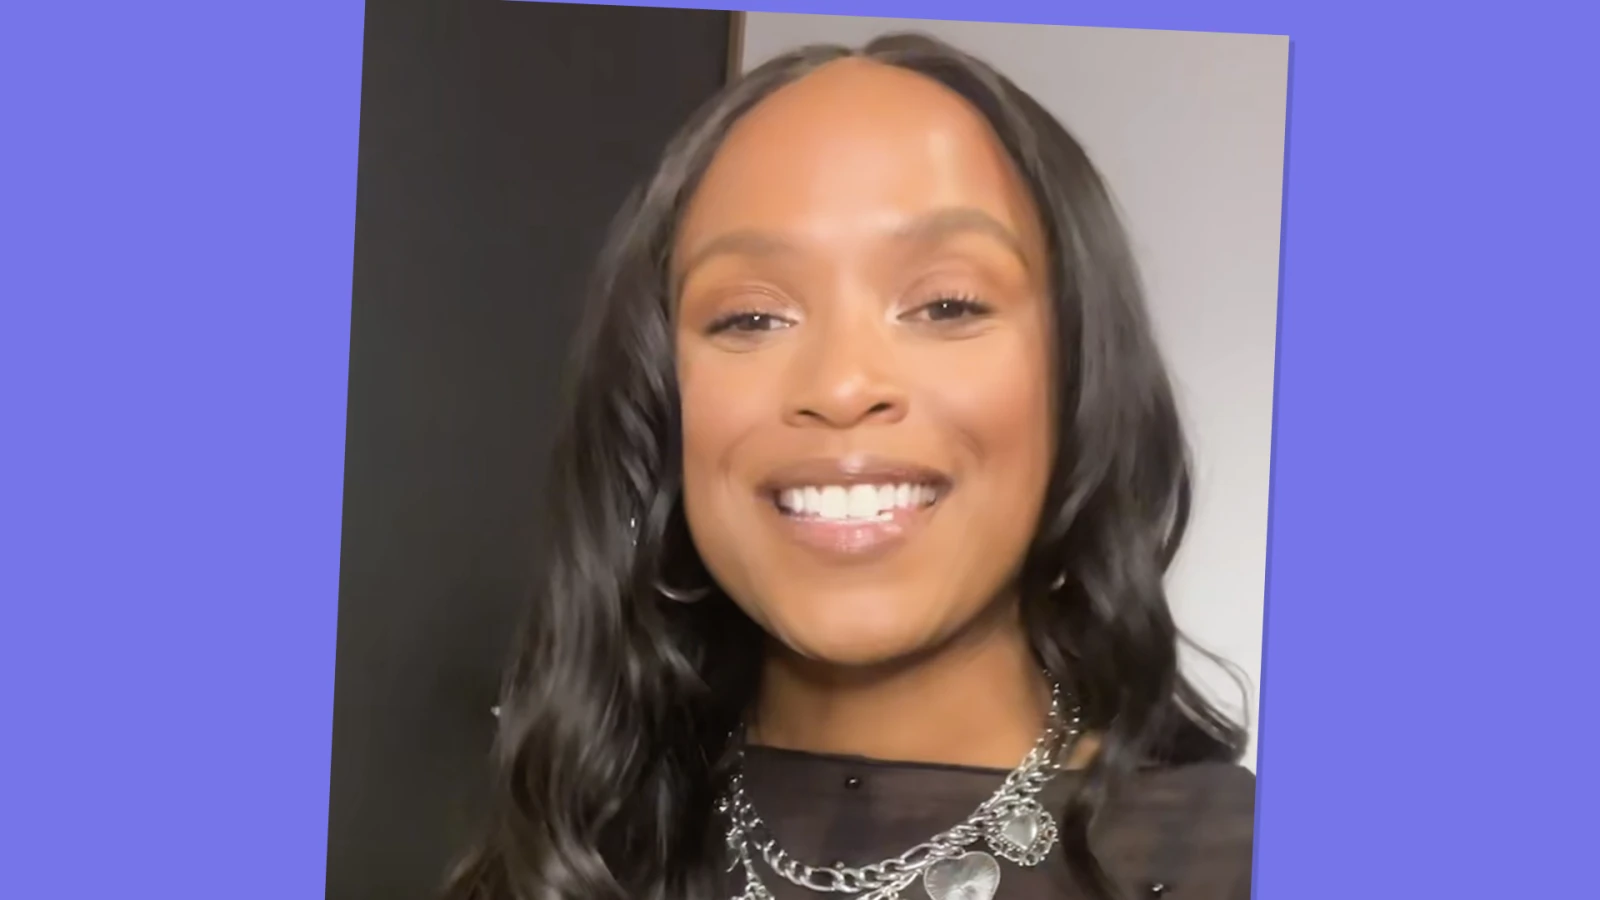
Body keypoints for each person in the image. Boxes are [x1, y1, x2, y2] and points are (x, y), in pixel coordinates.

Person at [444, 32, 1255, 900]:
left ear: (1080, 375)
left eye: (946, 304)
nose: (840, 385)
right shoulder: (573, 845)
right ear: (658, 401)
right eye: (751, 317)